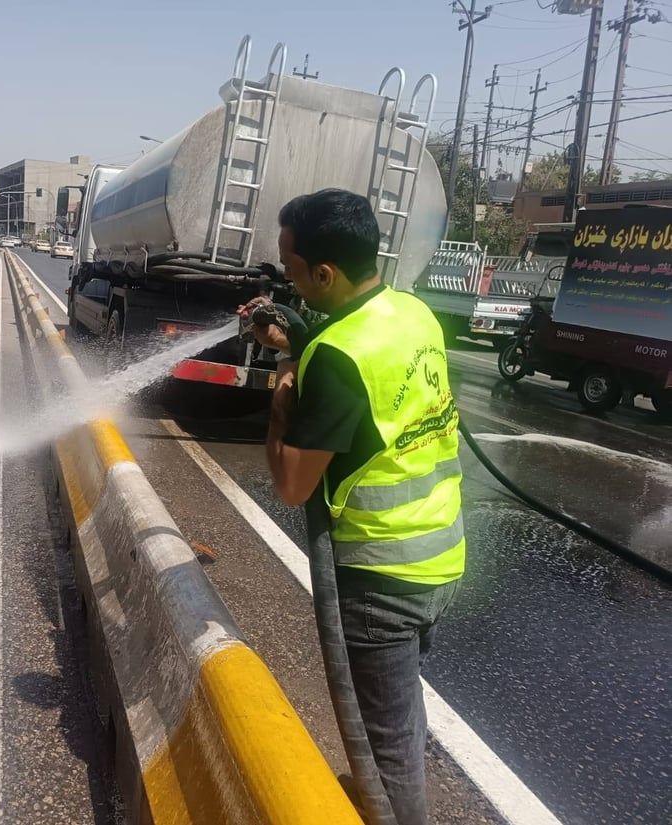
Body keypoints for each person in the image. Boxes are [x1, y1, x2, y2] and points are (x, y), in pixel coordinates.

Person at [242, 189, 464, 825]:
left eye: (291, 267)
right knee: (399, 716)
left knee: (384, 747)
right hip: (439, 558)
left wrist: (285, 386)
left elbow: (291, 485)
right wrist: (295, 339)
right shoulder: (412, 313)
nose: (285, 276)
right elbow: (370, 385)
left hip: (379, 579)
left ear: (324, 273)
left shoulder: (335, 360)